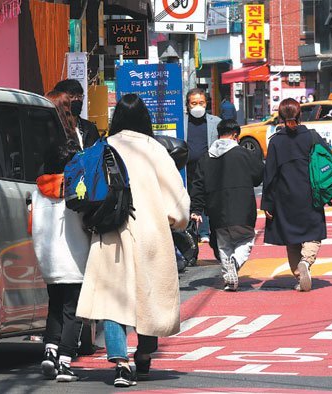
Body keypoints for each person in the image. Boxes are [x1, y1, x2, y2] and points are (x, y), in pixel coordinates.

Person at [76, 94, 190, 387]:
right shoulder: (155, 149)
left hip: (110, 231)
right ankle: (144, 353)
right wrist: (176, 221)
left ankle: (121, 362)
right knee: (148, 294)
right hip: (150, 231)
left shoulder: (104, 147)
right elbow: (178, 202)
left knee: (113, 298)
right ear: (144, 118)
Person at [32, 140, 90, 382]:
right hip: (74, 261)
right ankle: (66, 361)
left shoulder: (36, 192)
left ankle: (50, 351)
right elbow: (88, 224)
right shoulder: (76, 188)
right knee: (73, 312)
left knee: (54, 308)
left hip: (48, 261)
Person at [261, 98, 328, 292]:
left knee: (291, 239)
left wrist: (268, 204)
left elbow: (270, 175)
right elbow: (327, 161)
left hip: (284, 197)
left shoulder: (276, 142)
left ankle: (299, 276)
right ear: (300, 115)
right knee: (313, 234)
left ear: (280, 117)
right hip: (310, 194)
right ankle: (306, 262)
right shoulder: (312, 137)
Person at [190, 119, 264, 291]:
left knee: (224, 244)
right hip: (242, 208)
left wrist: (196, 209)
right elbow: (258, 175)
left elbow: (198, 184)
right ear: (235, 135)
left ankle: (229, 279)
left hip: (216, 209)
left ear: (218, 135)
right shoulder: (243, 154)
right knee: (246, 239)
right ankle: (235, 263)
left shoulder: (206, 157)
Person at [186, 88, 221, 243]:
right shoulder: (181, 121)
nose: (198, 106)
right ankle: (189, 232)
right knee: (188, 199)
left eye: (201, 103)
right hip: (186, 169)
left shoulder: (215, 122)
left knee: (207, 200)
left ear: (207, 104)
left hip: (209, 169)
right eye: (194, 103)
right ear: (188, 105)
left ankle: (205, 232)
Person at [54, 79, 100, 148]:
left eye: (79, 96)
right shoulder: (54, 126)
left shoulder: (90, 128)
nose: (76, 100)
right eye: (71, 96)